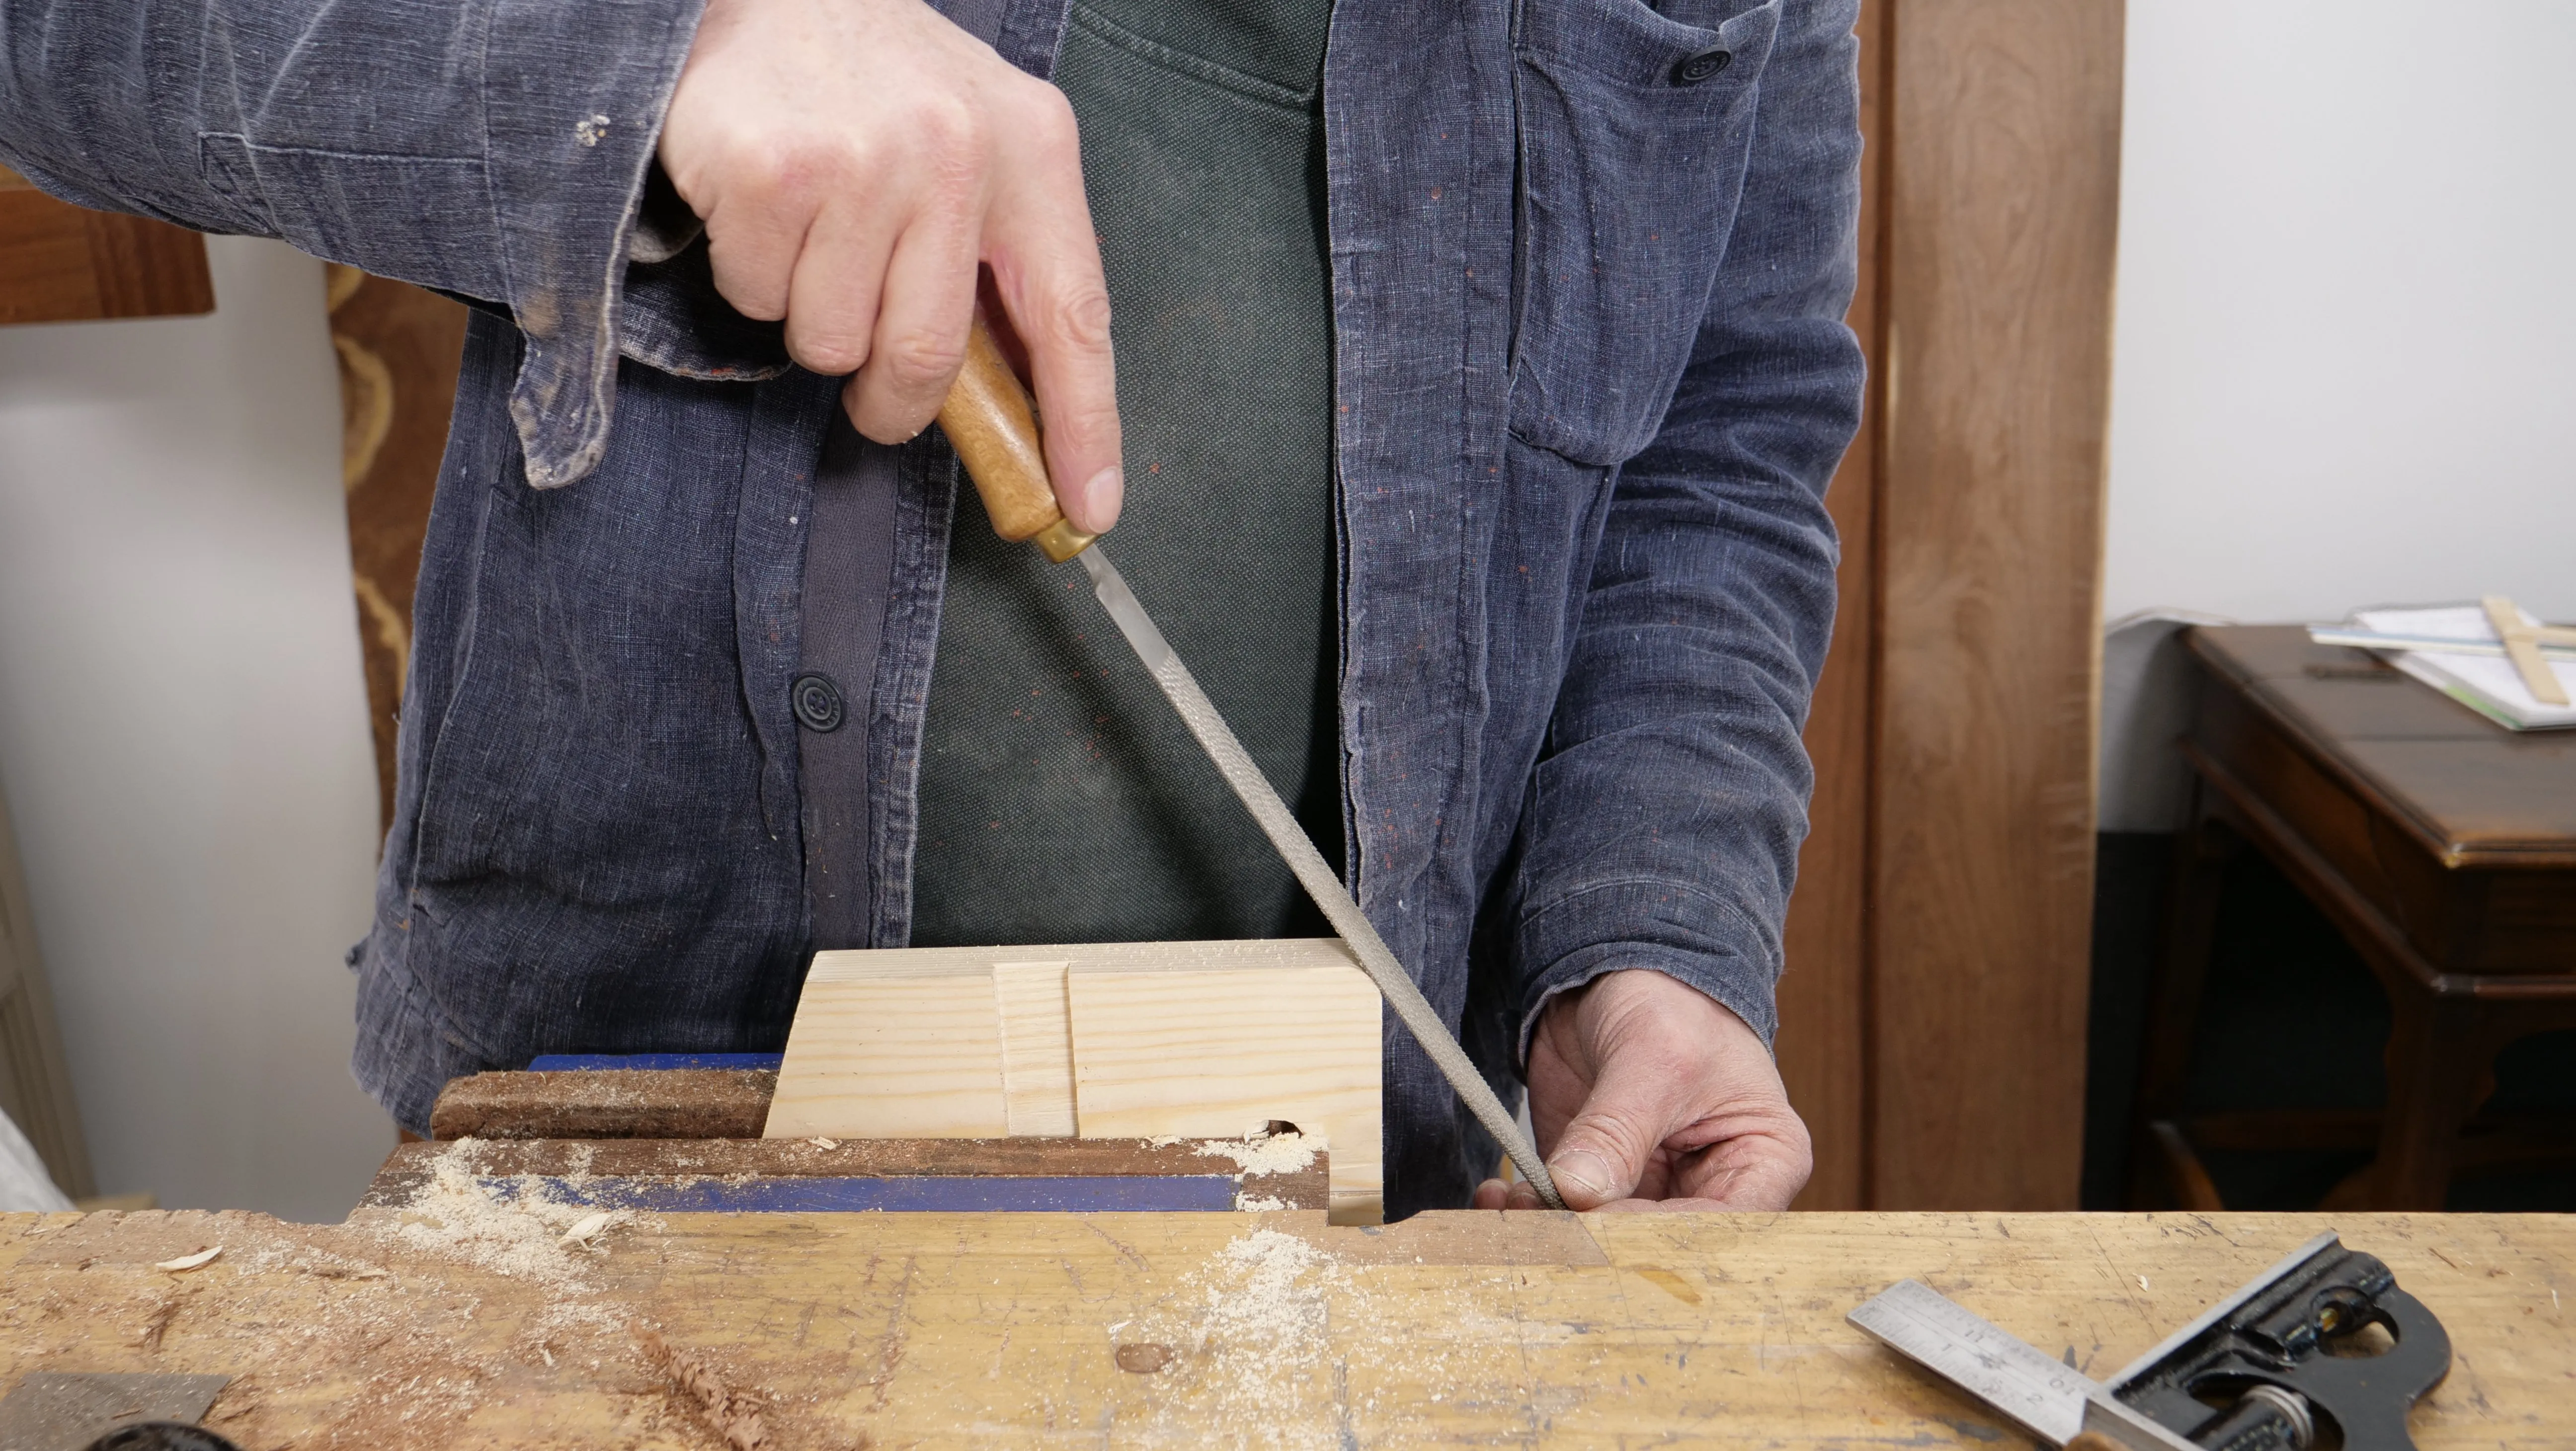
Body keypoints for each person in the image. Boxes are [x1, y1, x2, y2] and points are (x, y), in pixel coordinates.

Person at [0, 0, 1861, 1217]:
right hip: (642, 1145)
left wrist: (1652, 934)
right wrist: (667, 48)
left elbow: (1723, 429)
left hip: (1369, 1161)